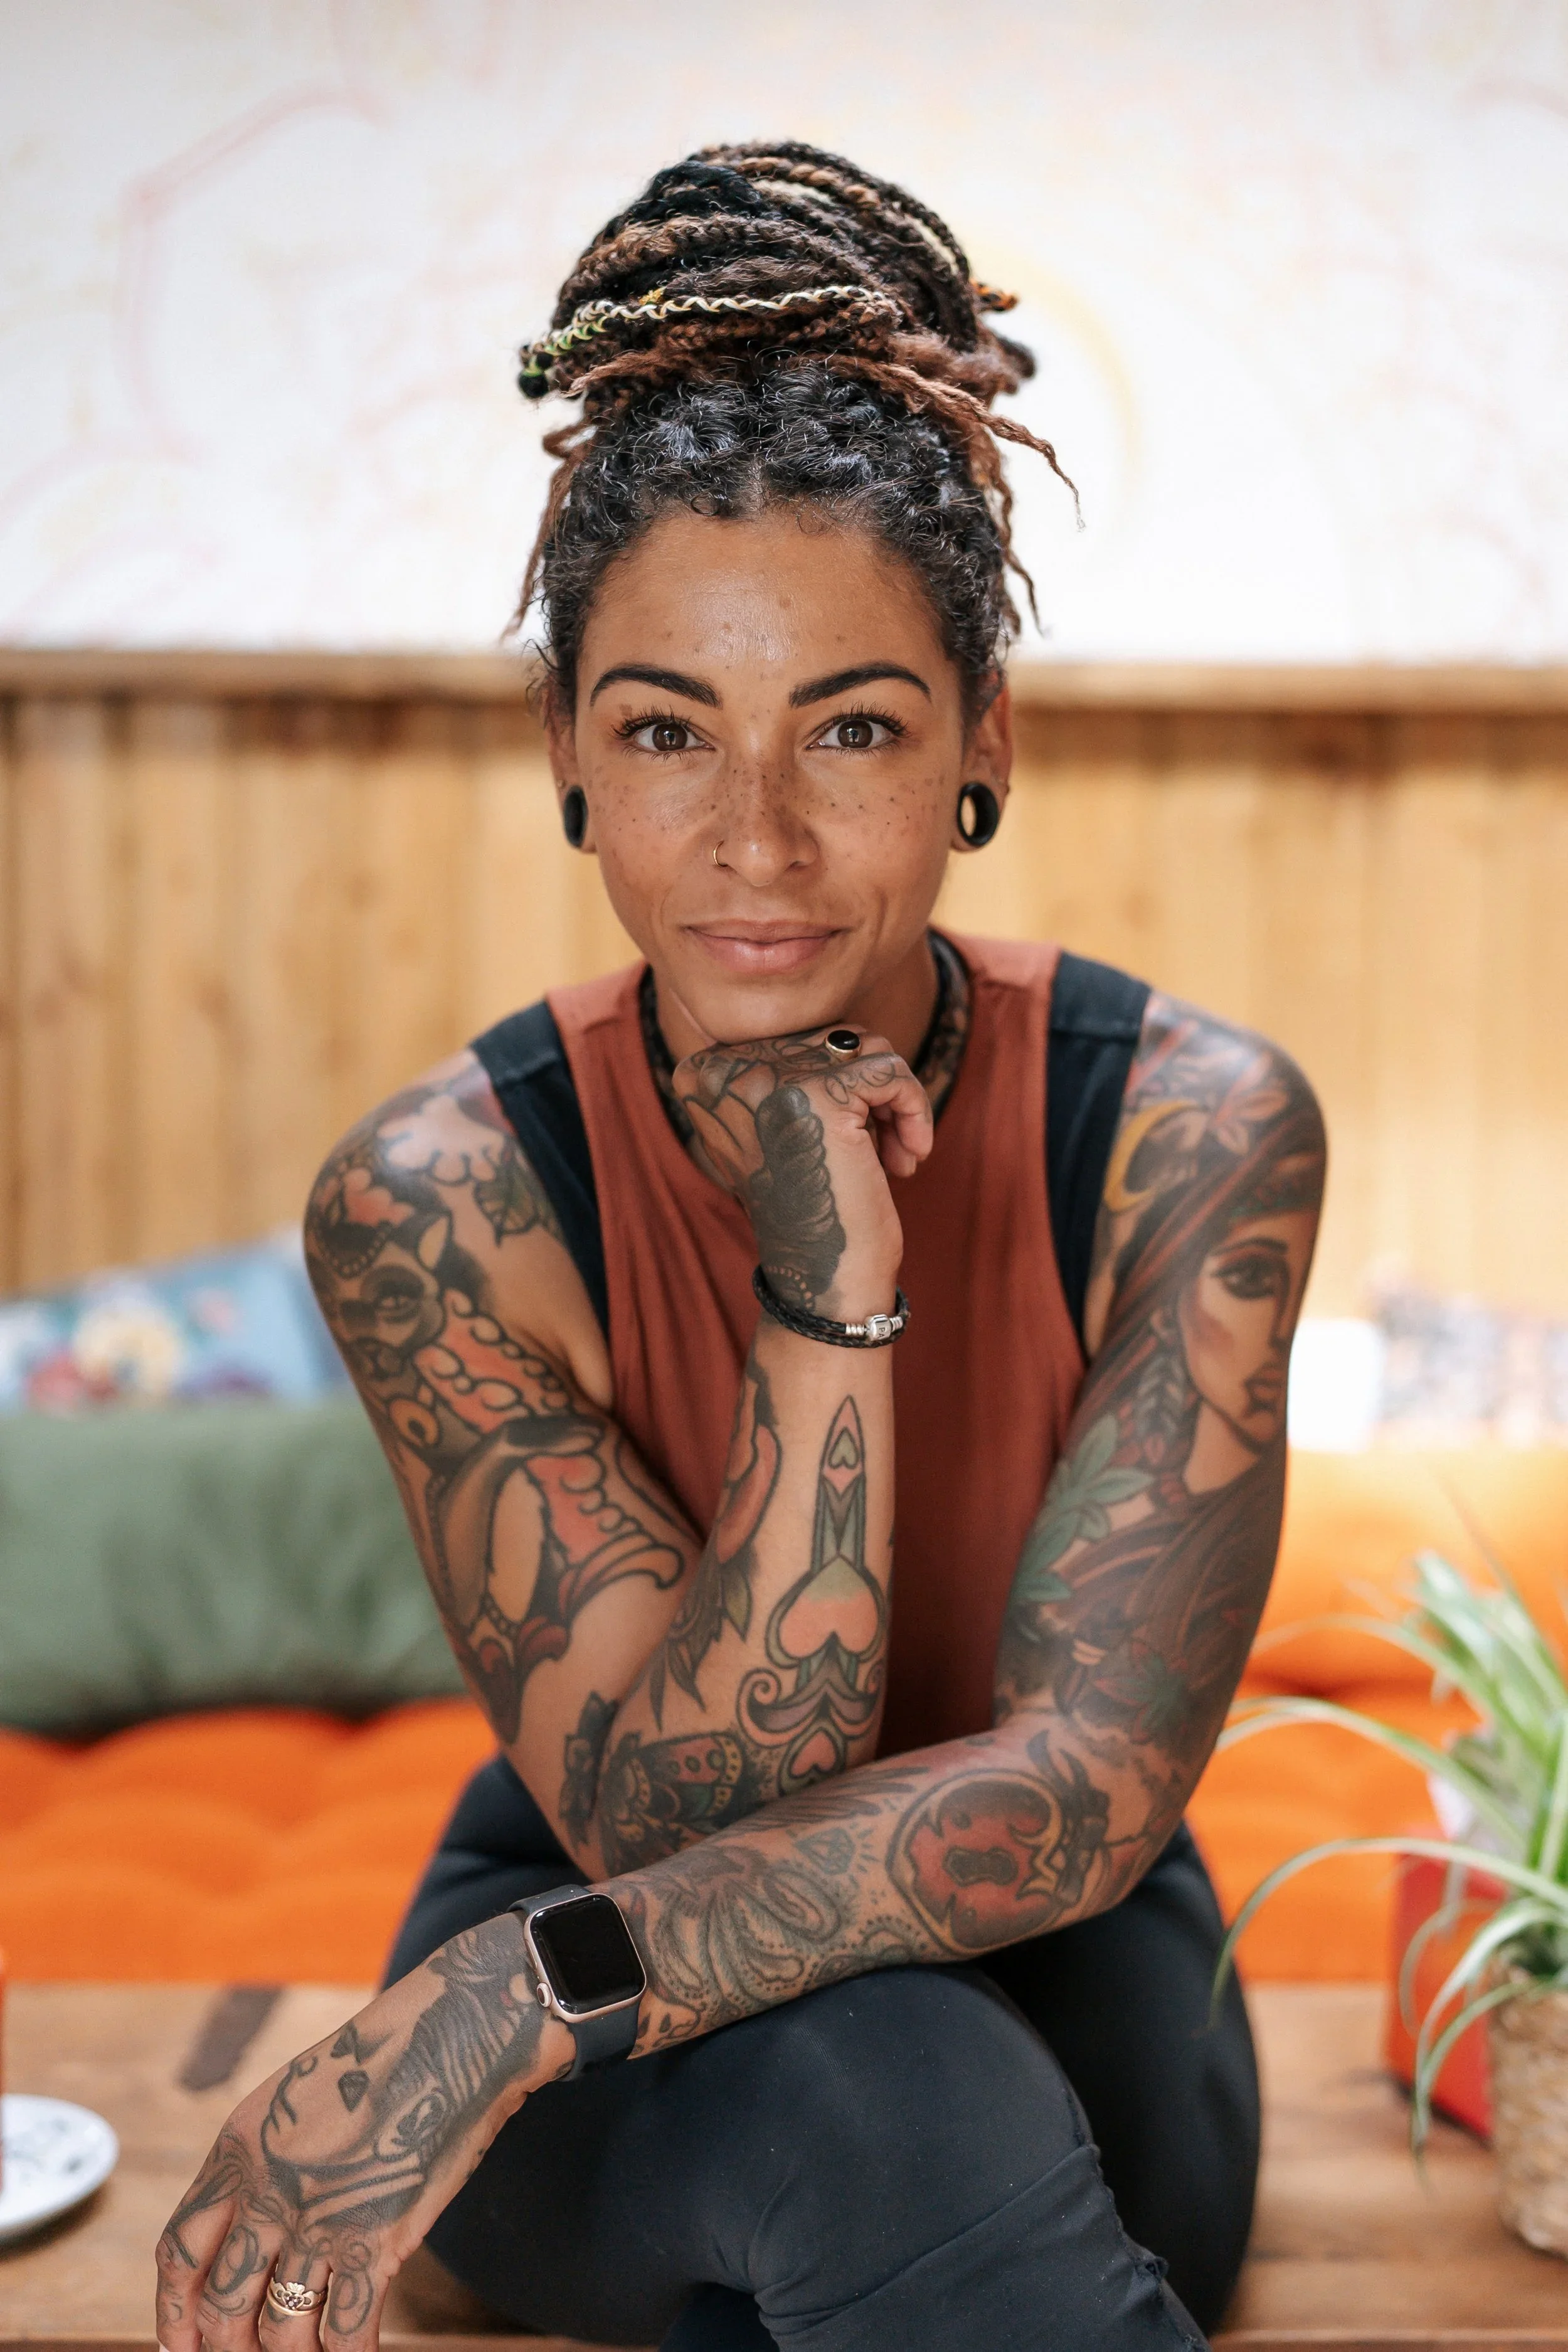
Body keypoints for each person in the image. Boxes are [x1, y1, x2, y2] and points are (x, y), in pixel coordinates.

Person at [155, 142, 1325, 2352]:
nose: (755, 841)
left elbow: (1073, 1788)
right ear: (568, 754)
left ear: (982, 738)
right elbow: (676, 1804)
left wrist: (510, 1998)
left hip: (1029, 1940)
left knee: (879, 2165)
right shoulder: (439, 1198)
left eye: (854, 728)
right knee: (886, 2124)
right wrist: (821, 1298)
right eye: (667, 729)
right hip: (597, 1902)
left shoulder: (1188, 1130)